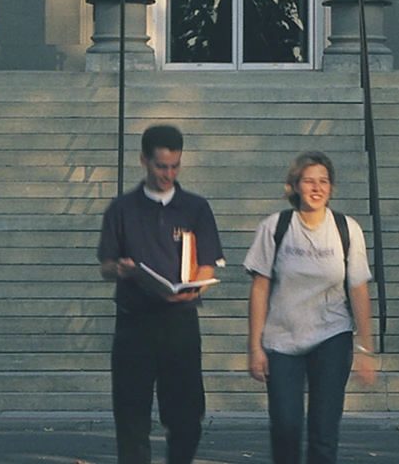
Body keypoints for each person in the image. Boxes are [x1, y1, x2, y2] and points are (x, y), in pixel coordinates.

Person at [98, 124, 224, 464]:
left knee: (186, 417)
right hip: (134, 324)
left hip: (180, 323)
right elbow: (105, 264)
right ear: (144, 161)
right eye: (160, 166)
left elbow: (209, 263)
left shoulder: (195, 208)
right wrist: (120, 268)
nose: (168, 174)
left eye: (175, 166)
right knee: (131, 417)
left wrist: (194, 285)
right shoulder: (122, 208)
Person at [243, 150, 377, 464]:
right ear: (295, 186)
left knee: (323, 431)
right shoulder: (274, 227)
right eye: (308, 181)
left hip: (332, 336)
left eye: (323, 181)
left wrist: (366, 350)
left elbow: (358, 289)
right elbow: (260, 288)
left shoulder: (347, 229)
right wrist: (254, 347)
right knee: (286, 427)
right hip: (282, 340)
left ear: (331, 187)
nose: (316, 188)